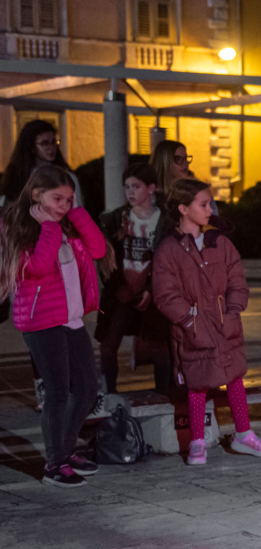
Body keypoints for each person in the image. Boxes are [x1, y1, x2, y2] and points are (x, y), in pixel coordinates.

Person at [152, 178, 261, 465]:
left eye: (210, 204)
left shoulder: (220, 242)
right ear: (183, 208)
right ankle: (197, 441)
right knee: (198, 382)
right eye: (204, 204)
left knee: (234, 377)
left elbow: (237, 280)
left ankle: (243, 434)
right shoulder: (169, 249)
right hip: (194, 329)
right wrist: (189, 320)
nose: (211, 210)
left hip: (223, 323)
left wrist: (233, 311)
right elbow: (165, 295)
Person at [0, 165, 107, 487]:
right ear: (36, 195)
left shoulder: (67, 222)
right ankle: (54, 464)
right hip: (41, 321)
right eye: (57, 198)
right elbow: (37, 268)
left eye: (69, 199)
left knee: (87, 389)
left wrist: (76, 214)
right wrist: (48, 226)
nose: (63, 205)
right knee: (58, 392)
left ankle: (66, 450)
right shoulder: (18, 227)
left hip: (71, 319)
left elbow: (99, 249)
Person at [1, 119, 86, 412]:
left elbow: (77, 215)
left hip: (62, 260)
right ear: (31, 146)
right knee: (37, 330)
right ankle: (44, 387)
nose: (51, 148)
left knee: (66, 328)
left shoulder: (67, 176)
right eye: (45, 143)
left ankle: (64, 389)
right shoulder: (17, 180)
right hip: (31, 260)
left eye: (54, 142)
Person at [96, 163, 172, 394]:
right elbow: (105, 258)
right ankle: (109, 394)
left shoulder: (165, 221)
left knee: (159, 345)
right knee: (108, 345)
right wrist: (117, 285)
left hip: (152, 293)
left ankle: (163, 395)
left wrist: (151, 289)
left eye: (136, 186)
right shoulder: (114, 219)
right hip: (122, 292)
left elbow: (168, 261)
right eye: (127, 187)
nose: (130, 191)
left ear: (151, 188)